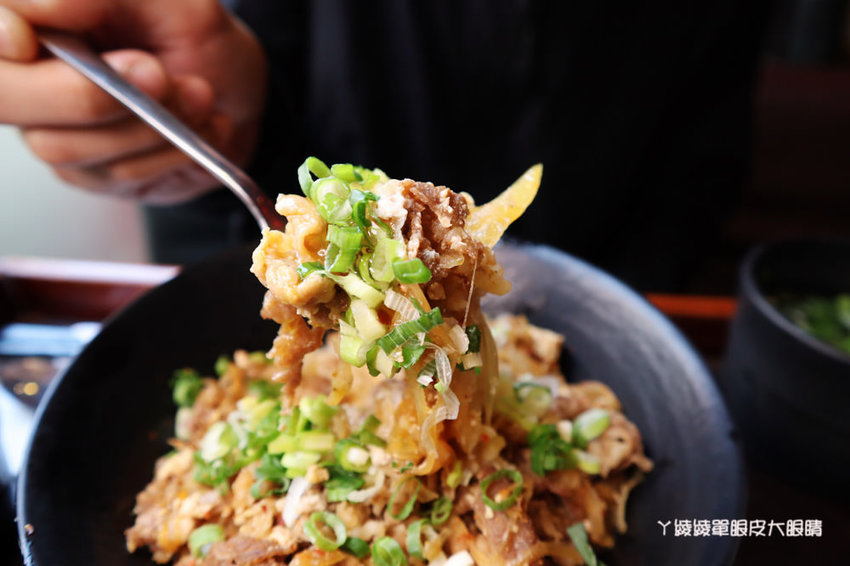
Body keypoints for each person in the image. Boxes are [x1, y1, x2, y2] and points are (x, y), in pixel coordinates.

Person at [0, 0, 769, 291]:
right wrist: (232, 125)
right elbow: (237, 73)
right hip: (272, 237)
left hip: (613, 297)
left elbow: (701, 172)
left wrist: (604, 320)